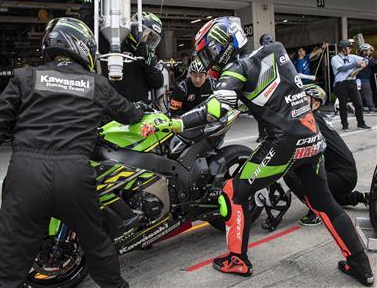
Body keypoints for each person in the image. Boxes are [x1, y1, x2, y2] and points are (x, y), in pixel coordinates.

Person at [143, 17, 373, 286]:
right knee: (325, 204)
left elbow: (214, 110)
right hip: (310, 136)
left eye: (207, 53)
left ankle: (237, 260)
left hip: (283, 143)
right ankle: (361, 265)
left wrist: (172, 123)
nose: (206, 60)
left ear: (221, 47)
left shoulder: (235, 71)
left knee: (232, 193)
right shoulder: (275, 49)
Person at [0, 18, 144, 288]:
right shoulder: (97, 84)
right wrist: (140, 110)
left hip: (26, 176)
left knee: (6, 264)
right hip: (74, 176)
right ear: (83, 48)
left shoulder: (25, 77)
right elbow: (130, 115)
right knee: (97, 245)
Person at [284, 84, 370, 227]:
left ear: (315, 104)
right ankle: (360, 197)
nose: (298, 101)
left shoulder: (311, 121)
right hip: (344, 174)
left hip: (341, 176)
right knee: (331, 197)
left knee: (292, 173)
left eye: (304, 99)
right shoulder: (316, 118)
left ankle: (318, 211)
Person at [81, 0, 164, 102]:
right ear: (136, 28)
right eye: (146, 35)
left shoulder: (149, 58)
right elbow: (86, 28)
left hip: (138, 113)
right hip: (110, 111)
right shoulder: (113, 38)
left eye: (152, 39)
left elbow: (158, 82)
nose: (147, 41)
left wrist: (148, 64)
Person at [331, 40, 370, 131]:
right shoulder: (335, 58)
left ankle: (361, 123)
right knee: (343, 105)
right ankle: (345, 125)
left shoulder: (352, 56)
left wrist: (364, 63)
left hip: (352, 82)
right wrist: (356, 64)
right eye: (349, 48)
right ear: (343, 49)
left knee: (358, 104)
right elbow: (342, 69)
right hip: (341, 83)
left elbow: (365, 59)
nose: (350, 49)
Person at [357, 43, 377, 112]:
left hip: (361, 79)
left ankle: (361, 107)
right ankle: (371, 107)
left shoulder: (362, 58)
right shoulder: (363, 59)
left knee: (361, 95)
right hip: (363, 80)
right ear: (364, 51)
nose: (369, 51)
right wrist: (371, 54)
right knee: (368, 93)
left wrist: (371, 54)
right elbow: (374, 63)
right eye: (368, 50)